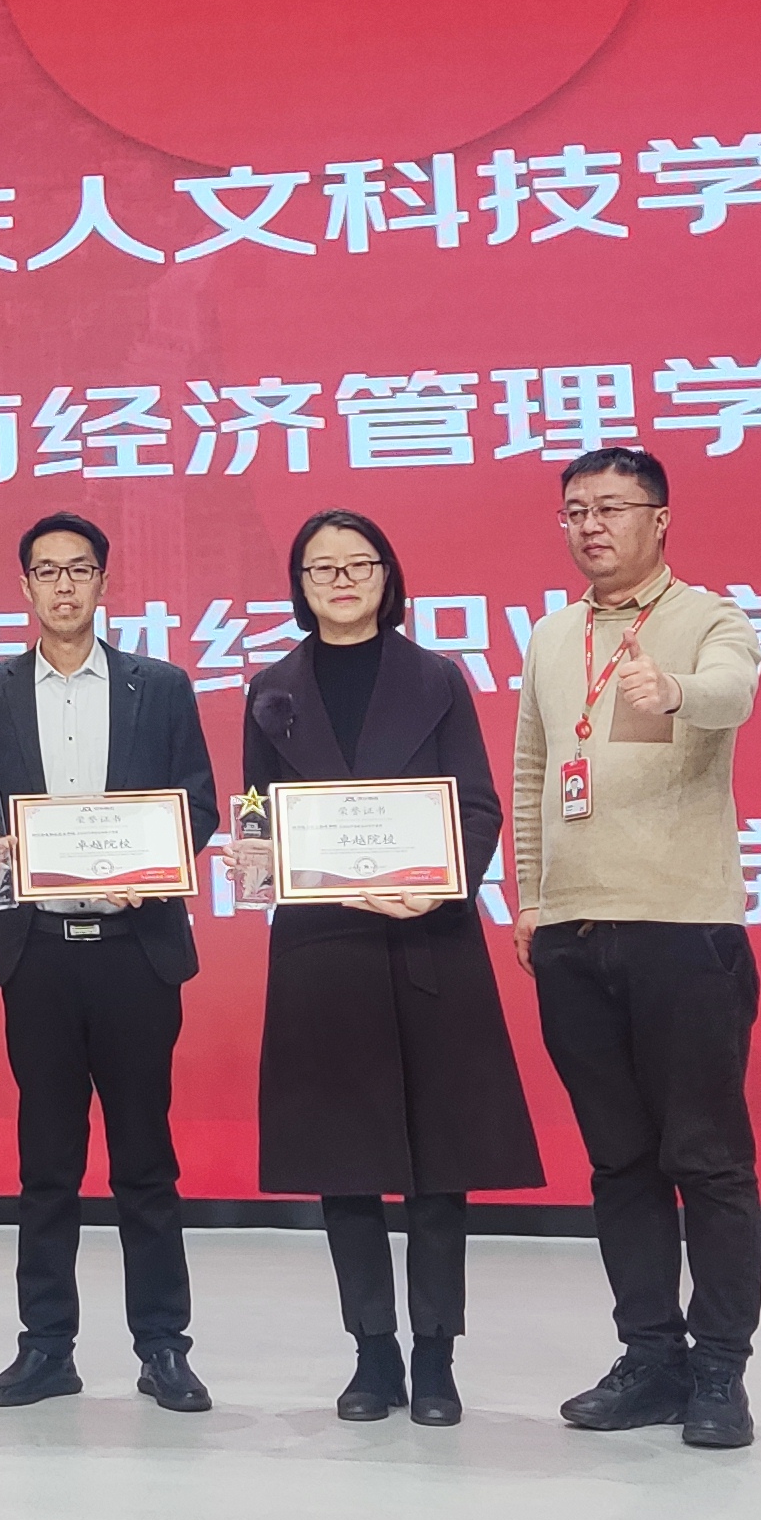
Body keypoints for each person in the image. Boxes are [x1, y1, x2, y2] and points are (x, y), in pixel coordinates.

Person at [237, 508, 543, 1428]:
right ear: (299, 584)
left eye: (357, 564)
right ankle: (372, 1352)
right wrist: (255, 857)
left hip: (426, 941)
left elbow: (478, 807)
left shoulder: (436, 678)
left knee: (438, 1167)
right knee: (345, 1163)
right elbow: (260, 815)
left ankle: (435, 1355)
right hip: (323, 949)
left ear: (386, 575)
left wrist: (439, 886)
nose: (340, 580)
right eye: (320, 568)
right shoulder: (272, 689)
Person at [510, 447, 761, 1451]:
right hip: (572, 933)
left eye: (611, 508)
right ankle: (649, 1359)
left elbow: (734, 692)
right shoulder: (552, 635)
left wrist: (678, 692)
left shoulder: (708, 619)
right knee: (618, 1163)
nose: (591, 526)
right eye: (575, 510)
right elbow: (533, 766)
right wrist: (532, 899)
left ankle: (720, 1370)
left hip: (682, 929)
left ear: (659, 519)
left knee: (706, 1160)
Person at [0, 511, 222, 1414]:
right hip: (37, 955)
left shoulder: (161, 686)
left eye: (79, 570)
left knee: (145, 1161)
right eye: (46, 571)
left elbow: (198, 805)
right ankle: (45, 1347)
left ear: (104, 582)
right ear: (24, 586)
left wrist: (150, 867)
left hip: (135, 955)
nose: (63, 586)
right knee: (47, 1164)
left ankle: (164, 1347)